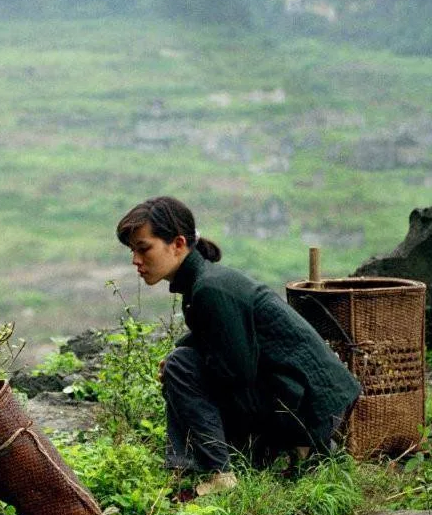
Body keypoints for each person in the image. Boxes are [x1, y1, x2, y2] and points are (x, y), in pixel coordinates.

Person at [115, 196, 360, 498]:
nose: (136, 261)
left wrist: (181, 370)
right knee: (180, 362)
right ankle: (199, 466)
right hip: (303, 402)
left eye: (143, 248)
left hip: (310, 409)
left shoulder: (210, 289)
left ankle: (219, 473)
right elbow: (214, 339)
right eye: (132, 251)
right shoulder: (203, 284)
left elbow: (236, 373)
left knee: (181, 367)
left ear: (177, 244)